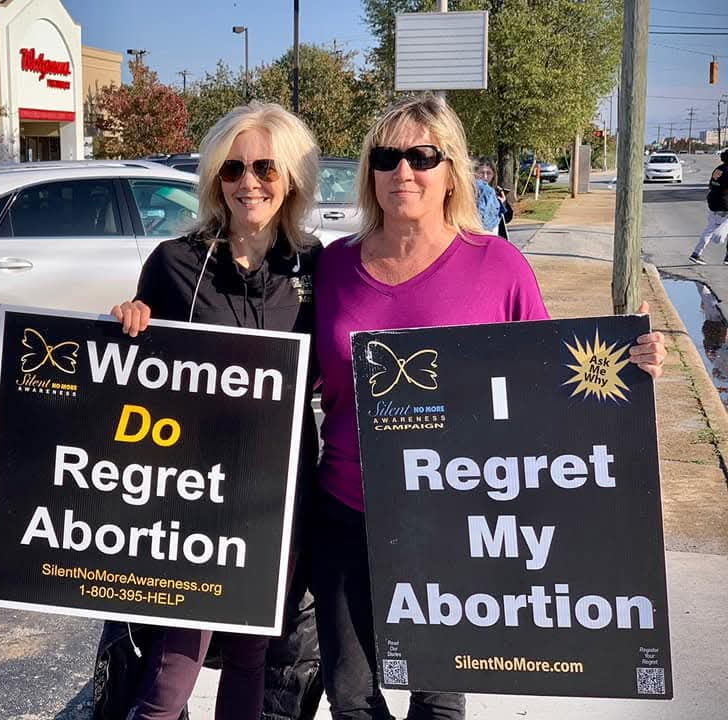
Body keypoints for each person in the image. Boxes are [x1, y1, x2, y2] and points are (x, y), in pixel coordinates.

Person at [310, 94, 667, 720]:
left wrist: (627, 366)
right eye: (387, 158)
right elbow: (286, 365)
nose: (403, 173)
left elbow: (550, 381)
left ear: (452, 170)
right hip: (347, 507)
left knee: (438, 697)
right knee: (350, 693)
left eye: (422, 157)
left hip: (457, 517)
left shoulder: (496, 265)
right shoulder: (333, 266)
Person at [106, 101, 323, 720]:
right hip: (195, 489)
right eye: (232, 169)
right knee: (178, 657)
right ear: (214, 179)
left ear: (290, 179)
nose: (248, 182)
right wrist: (130, 321)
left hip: (278, 489)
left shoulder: (315, 264)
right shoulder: (174, 262)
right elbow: (136, 372)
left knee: (254, 650)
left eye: (265, 167)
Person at [688, 148, 728, 265]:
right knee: (717, 236)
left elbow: (711, 185)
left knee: (708, 231)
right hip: (725, 206)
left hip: (713, 203)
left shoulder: (718, 169)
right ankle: (727, 256)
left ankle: (696, 254)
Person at [475, 156, 513, 240]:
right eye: (481, 173)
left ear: (493, 175)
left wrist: (503, 204)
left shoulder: (497, 192)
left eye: (488, 173)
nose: (485, 177)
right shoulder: (470, 193)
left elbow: (507, 218)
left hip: (496, 237)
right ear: (475, 173)